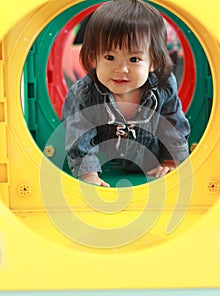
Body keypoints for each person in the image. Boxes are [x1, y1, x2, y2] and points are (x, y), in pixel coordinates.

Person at [62, 0, 190, 187]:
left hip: (149, 162)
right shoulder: (85, 92)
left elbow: (172, 124)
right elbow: (79, 133)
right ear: (94, 56)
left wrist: (171, 161)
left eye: (134, 59)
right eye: (110, 57)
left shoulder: (163, 86)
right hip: (103, 163)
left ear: (153, 61)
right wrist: (88, 174)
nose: (121, 69)